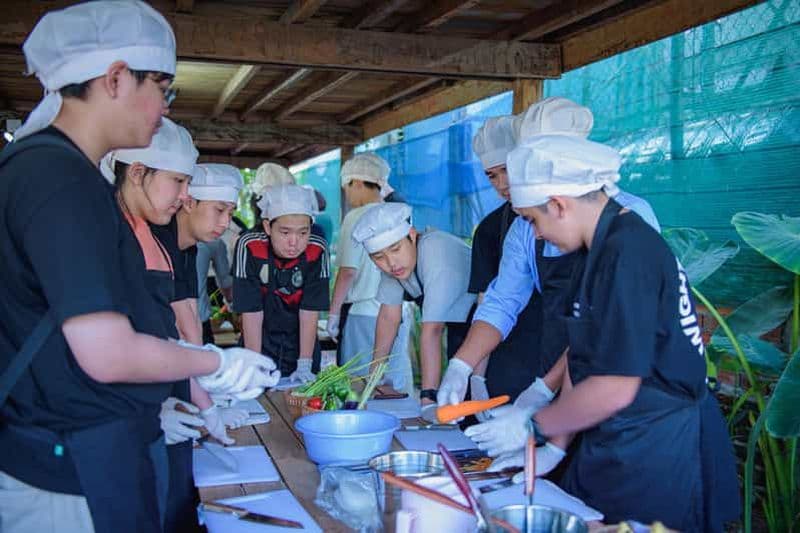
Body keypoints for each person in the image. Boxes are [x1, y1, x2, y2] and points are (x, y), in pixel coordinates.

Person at [0, 3, 278, 532]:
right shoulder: (58, 178)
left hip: (87, 449)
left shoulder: (62, 173)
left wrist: (154, 407)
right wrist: (214, 365)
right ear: (115, 78)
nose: (165, 108)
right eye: (164, 88)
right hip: (66, 469)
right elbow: (106, 353)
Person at [464, 133, 740, 531]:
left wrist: (535, 424)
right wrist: (555, 449)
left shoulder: (628, 253)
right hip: (614, 431)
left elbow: (614, 386)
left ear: (558, 205)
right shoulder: (600, 248)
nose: (536, 235)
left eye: (532, 220)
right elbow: (584, 357)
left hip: (658, 442)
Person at [439, 98, 659, 450]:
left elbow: (609, 349)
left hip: (638, 419)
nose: (537, 234)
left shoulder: (631, 234)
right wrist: (462, 365)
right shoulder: (527, 231)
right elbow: (503, 301)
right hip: (574, 384)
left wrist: (544, 408)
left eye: (537, 220)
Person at [111, 146, 248, 532]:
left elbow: (183, 328)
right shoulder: (143, 234)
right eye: (218, 209)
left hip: (154, 381)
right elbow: (154, 335)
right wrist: (203, 392)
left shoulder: (180, 244)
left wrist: (205, 395)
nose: (225, 221)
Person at [352, 203, 476, 417]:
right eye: (379, 257)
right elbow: (389, 317)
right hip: (458, 327)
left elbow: (432, 330)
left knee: (474, 399)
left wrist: (428, 398)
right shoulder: (397, 266)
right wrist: (375, 377)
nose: (391, 263)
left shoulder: (435, 250)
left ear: (412, 235)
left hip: (486, 324)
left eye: (395, 249)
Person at [328, 153, 411, 389]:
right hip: (398, 312)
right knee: (394, 385)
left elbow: (347, 272)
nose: (348, 195)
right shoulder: (397, 213)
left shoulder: (355, 216)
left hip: (363, 315)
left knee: (360, 386)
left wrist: (333, 315)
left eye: (347, 188)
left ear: (356, 182)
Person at [233, 184, 330, 383]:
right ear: (268, 226)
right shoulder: (249, 245)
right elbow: (251, 311)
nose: (294, 242)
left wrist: (304, 363)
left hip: (303, 344)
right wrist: (255, 363)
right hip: (260, 341)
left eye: (303, 233)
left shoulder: (317, 248)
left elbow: (309, 310)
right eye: (285, 233)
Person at [196, 238, 233, 344]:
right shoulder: (213, 241)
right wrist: (231, 305)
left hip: (163, 319)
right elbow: (225, 282)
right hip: (199, 319)